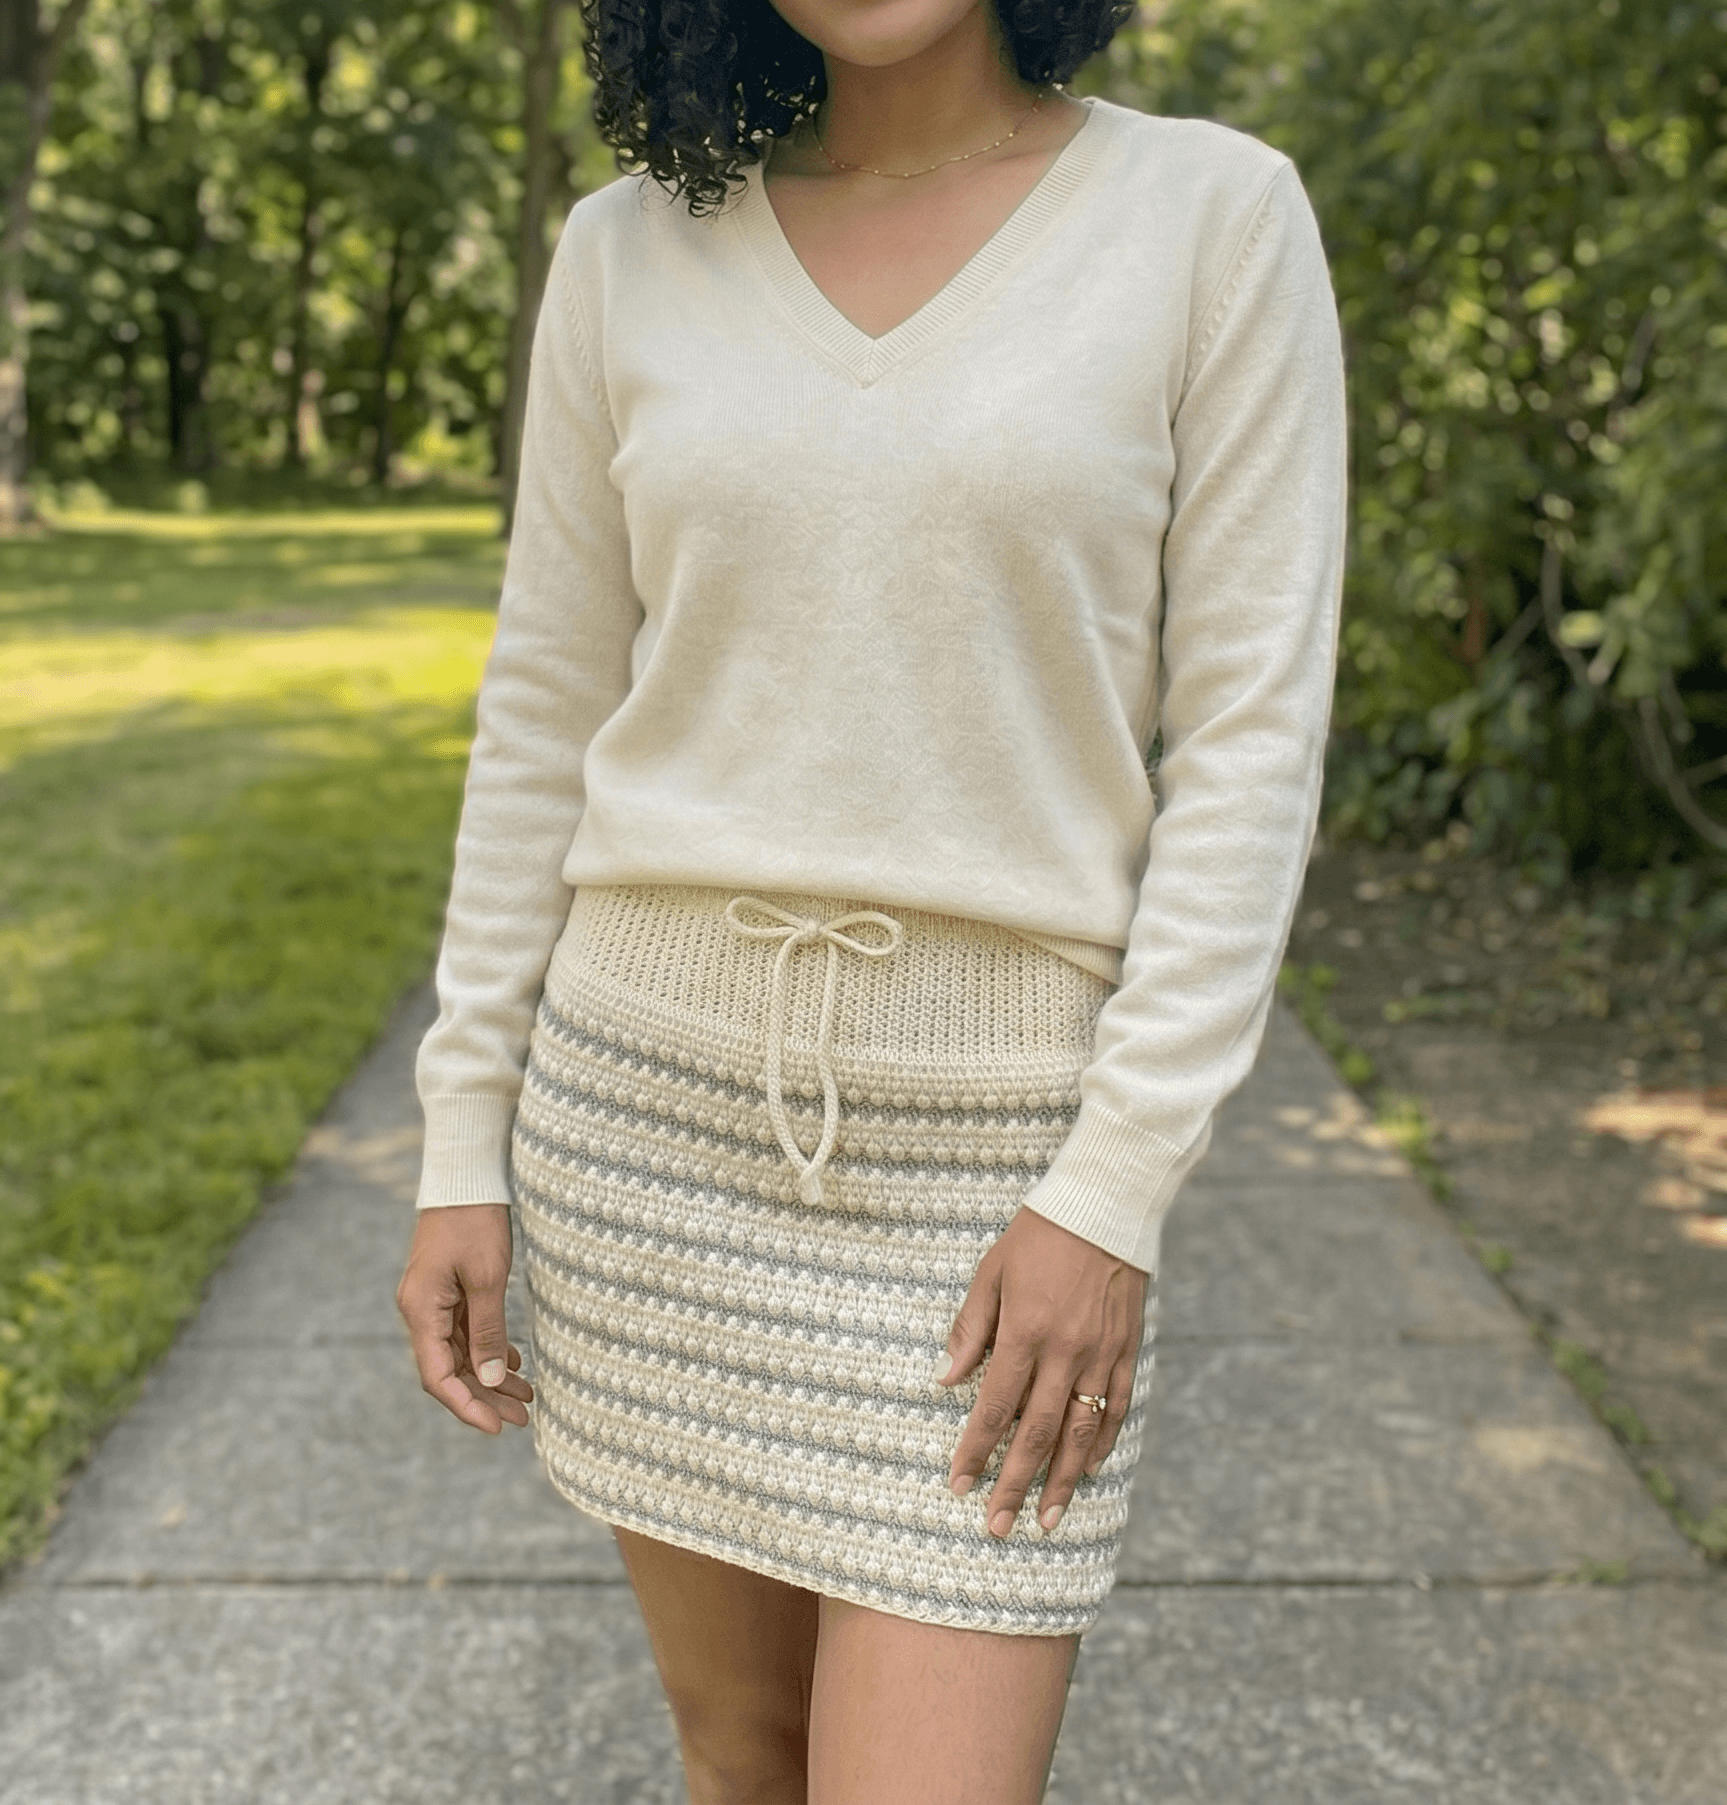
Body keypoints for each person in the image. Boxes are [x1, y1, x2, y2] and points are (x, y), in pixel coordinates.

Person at [395, 0, 1345, 1792]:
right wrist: (462, 1134)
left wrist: (1113, 1192)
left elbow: (1251, 740)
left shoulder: (1212, 217)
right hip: (645, 1131)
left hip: (1002, 1180)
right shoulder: (622, 253)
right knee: (742, 1757)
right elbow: (543, 709)